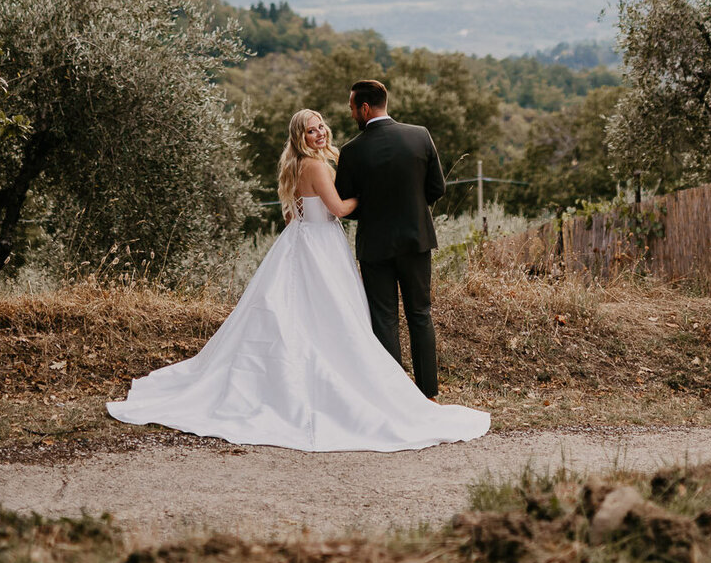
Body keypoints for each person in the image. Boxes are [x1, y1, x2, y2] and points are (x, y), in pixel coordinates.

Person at [106, 108, 488, 452]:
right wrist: (373, 196)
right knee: (331, 315)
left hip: (302, 240)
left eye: (321, 125)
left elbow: (293, 215)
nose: (319, 132)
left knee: (302, 313)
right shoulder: (317, 166)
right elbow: (338, 208)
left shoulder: (299, 165)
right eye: (310, 130)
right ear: (299, 137)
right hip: (321, 245)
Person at [334, 79, 446, 397]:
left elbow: (345, 203)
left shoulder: (352, 151)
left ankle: (396, 397)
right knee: (420, 314)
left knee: (384, 320)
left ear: (365, 108)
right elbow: (437, 189)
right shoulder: (419, 136)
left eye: (353, 107)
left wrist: (372, 209)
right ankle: (428, 393)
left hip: (375, 246)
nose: (352, 112)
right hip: (416, 240)